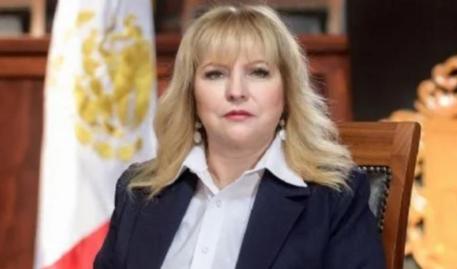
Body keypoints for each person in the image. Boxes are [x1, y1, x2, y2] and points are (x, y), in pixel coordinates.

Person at [94, 4, 386, 269]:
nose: (236, 91)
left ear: (287, 93)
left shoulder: (334, 198)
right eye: (215, 74)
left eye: (258, 72)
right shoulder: (139, 192)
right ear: (190, 94)